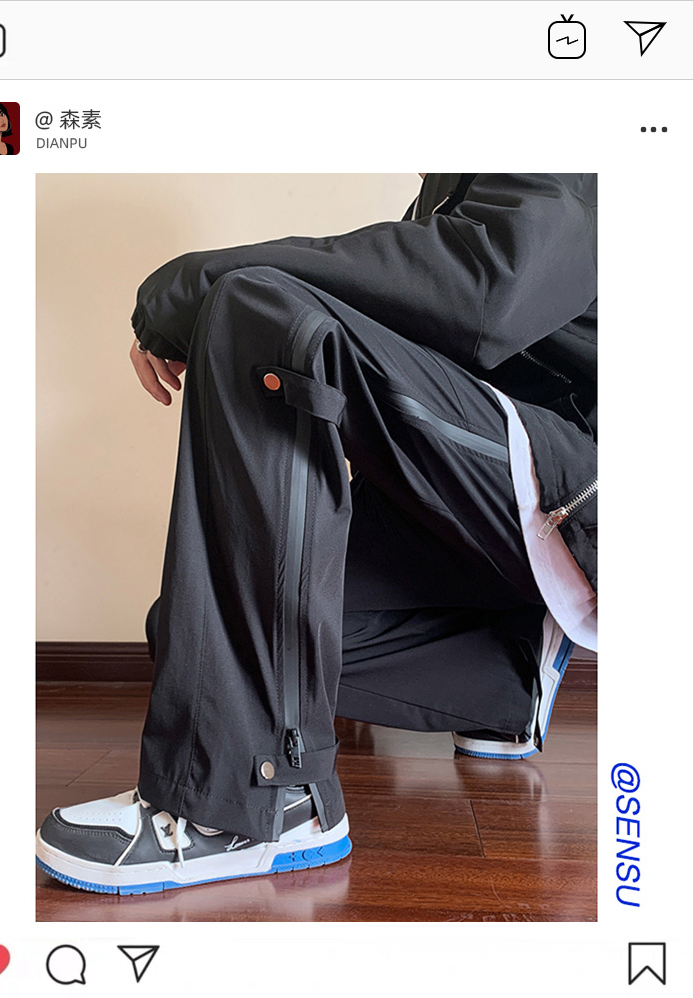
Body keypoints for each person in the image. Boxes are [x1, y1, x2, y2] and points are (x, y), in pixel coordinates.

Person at [36, 173, 597, 895]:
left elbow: (487, 290)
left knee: (261, 310)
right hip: (513, 499)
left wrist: (198, 283)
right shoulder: (453, 183)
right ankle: (502, 673)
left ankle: (256, 804)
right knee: (212, 641)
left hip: (591, 492)